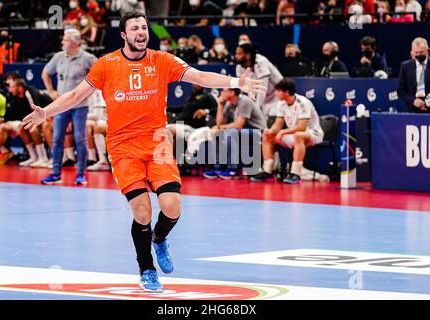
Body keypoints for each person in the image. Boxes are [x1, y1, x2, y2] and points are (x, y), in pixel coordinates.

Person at [22, 12, 265, 293]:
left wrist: (237, 82)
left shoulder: (162, 61)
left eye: (144, 27)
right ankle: (147, 269)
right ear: (124, 35)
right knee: (142, 211)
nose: (141, 32)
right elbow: (76, 95)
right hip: (122, 144)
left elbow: (200, 76)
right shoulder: (106, 64)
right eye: (134, 28)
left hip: (156, 141)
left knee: (172, 205)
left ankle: (159, 239)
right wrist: (46, 112)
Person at [41, 28, 97, 185]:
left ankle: (81, 174)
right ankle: (55, 173)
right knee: (58, 138)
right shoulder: (59, 57)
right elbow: (45, 72)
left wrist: (89, 93)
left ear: (74, 43)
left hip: (80, 106)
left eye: (64, 40)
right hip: (62, 106)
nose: (62, 42)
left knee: (80, 139)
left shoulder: (87, 58)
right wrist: (51, 90)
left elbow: (101, 73)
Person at [250, 78, 324, 184]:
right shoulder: (281, 103)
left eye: (278, 91)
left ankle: (295, 174)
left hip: (313, 134)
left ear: (286, 92)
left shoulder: (303, 103)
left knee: (299, 135)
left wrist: (283, 132)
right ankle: (267, 171)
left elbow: (302, 127)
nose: (275, 93)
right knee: (267, 136)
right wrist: (271, 131)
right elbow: (278, 124)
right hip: (293, 135)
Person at [202, 88, 266, 179]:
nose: (221, 93)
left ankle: (232, 169)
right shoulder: (229, 104)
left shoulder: (245, 101)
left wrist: (220, 127)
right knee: (216, 133)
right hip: (241, 131)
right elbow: (219, 123)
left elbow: (239, 125)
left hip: (257, 132)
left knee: (231, 132)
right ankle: (218, 167)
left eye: (224, 91)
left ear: (232, 93)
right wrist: (220, 106)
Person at [235, 43, 283, 123]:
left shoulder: (261, 62)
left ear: (248, 55)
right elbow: (242, 89)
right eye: (236, 53)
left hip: (277, 96)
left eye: (239, 54)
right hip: (262, 99)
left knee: (270, 122)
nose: (236, 56)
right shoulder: (239, 67)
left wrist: (255, 108)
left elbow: (262, 88)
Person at [397, 37, 430, 113]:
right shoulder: (405, 66)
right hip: (412, 110)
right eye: (416, 53)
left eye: (421, 52)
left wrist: (429, 102)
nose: (419, 54)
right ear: (411, 53)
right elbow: (401, 90)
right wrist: (413, 101)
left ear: (427, 51)